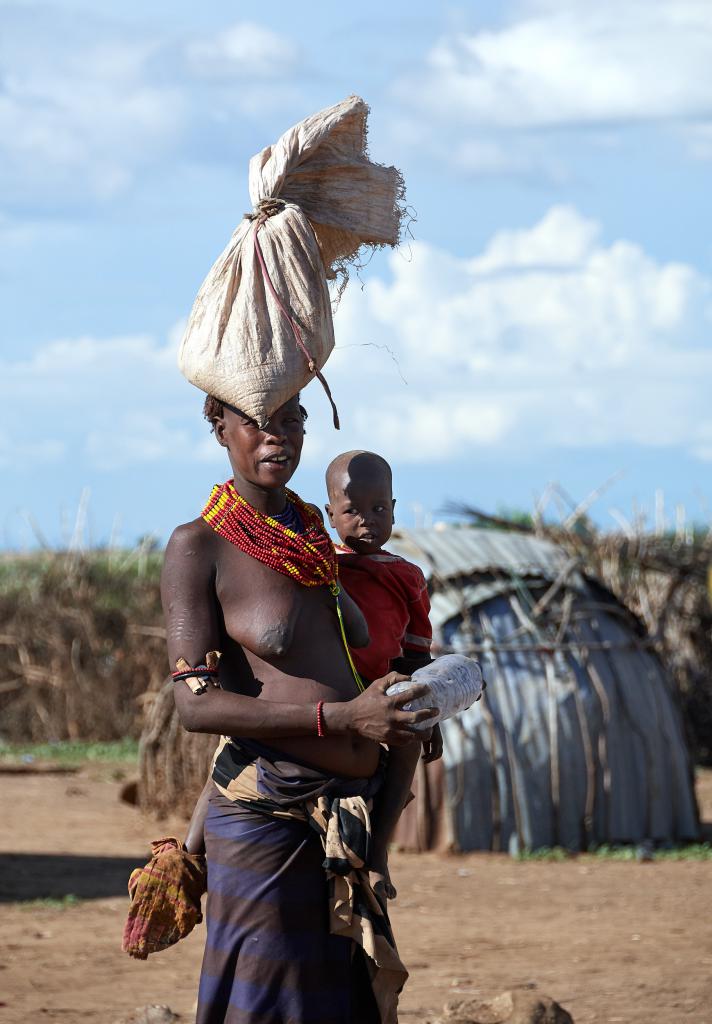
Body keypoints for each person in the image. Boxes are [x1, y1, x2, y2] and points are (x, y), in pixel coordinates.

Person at [162, 392, 437, 1024]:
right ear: (219, 428)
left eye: (291, 421)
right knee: (268, 1006)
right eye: (255, 422)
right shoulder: (198, 548)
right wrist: (340, 719)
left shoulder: (315, 533)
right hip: (268, 821)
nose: (275, 437)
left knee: (339, 1006)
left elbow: (376, 643)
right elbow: (194, 706)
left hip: (349, 813)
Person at [325, 450, 442, 899]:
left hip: (383, 689)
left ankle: (379, 853)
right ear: (331, 514)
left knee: (408, 744)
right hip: (332, 690)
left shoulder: (407, 576)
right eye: (352, 510)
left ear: (394, 509)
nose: (367, 520)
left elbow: (415, 651)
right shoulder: (319, 567)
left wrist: (428, 713)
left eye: (379, 509)